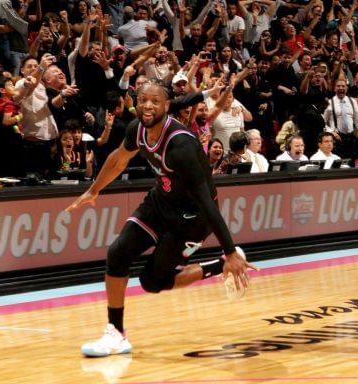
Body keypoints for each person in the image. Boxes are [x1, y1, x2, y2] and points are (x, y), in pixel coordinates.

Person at [65, 83, 255, 357]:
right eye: (143, 100)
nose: (149, 105)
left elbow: (206, 202)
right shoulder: (137, 129)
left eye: (155, 101)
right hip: (160, 201)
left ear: (167, 107)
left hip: (192, 218)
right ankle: (116, 333)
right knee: (118, 253)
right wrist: (94, 189)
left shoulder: (182, 146)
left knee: (151, 282)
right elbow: (119, 158)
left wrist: (229, 249)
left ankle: (220, 264)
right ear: (136, 103)